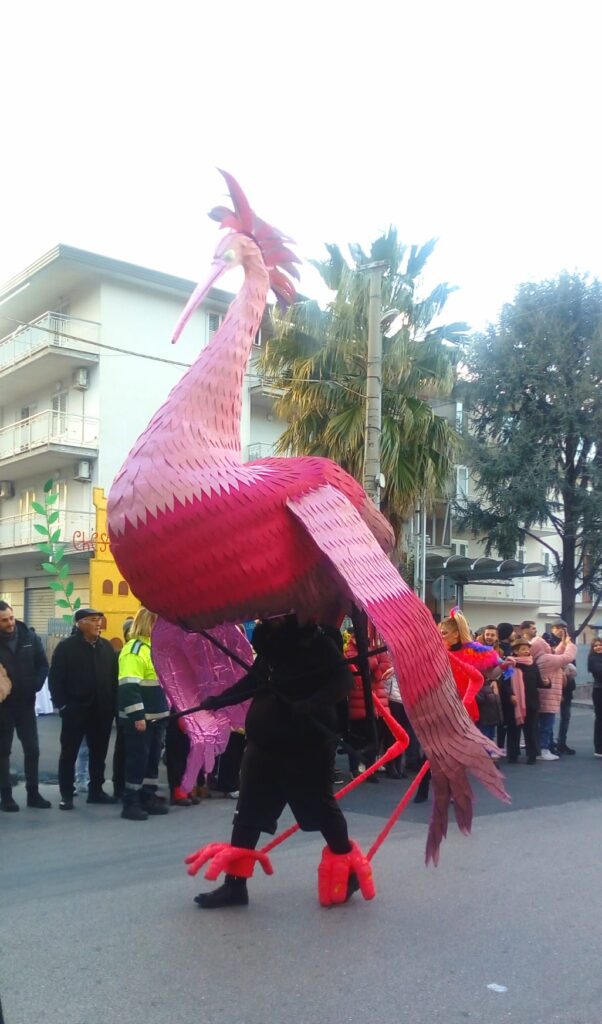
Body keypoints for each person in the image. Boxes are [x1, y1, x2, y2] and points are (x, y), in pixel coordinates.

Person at [193, 615, 367, 909]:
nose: (265, 619)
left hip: (306, 746)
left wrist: (310, 703)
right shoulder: (270, 647)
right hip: (263, 746)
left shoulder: (318, 642)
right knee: (247, 815)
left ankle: (349, 872)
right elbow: (255, 682)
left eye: (271, 615)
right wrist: (220, 700)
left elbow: (343, 681)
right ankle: (235, 886)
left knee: (321, 811)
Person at [49, 608, 119, 810]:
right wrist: (62, 705)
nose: (98, 624)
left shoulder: (106, 647)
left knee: (99, 753)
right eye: (93, 620)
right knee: (69, 753)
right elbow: (55, 679)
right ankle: (66, 794)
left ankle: (96, 790)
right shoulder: (66, 648)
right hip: (75, 710)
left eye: (99, 620)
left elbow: (114, 679)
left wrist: (113, 705)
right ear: (79, 623)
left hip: (102, 711)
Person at [118, 607, 170, 820]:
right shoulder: (135, 650)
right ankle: (131, 802)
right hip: (142, 719)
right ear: (149, 624)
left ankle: (147, 796)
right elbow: (128, 686)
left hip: (156, 716)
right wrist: (138, 716)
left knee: (151, 761)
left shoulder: (154, 649)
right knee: (137, 761)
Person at [0, 601, 50, 811]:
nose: (10, 623)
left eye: (11, 618)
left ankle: (33, 793)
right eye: (4, 620)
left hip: (26, 704)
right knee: (3, 752)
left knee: (33, 750)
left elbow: (42, 664)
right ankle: (6, 797)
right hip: (3, 706)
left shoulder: (29, 636)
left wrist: (36, 684)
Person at [530, 632, 577, 760]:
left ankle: (544, 748)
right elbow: (567, 657)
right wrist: (570, 644)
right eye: (545, 644)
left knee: (544, 725)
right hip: (548, 697)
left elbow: (556, 653)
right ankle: (544, 750)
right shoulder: (546, 659)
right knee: (546, 725)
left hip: (544, 696)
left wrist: (563, 643)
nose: (547, 645)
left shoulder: (541, 657)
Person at [510, 637, 547, 763]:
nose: (526, 651)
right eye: (523, 649)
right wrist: (510, 694)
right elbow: (504, 682)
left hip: (531, 702)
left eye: (527, 649)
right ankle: (513, 754)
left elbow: (539, 682)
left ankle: (532, 755)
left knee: (531, 729)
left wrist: (547, 683)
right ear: (515, 651)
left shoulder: (533, 664)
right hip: (515, 703)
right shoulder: (510, 664)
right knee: (514, 730)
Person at [550, 623, 576, 755]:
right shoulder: (546, 641)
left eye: (563, 628)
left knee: (566, 717)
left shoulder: (569, 642)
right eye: (557, 627)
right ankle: (549, 744)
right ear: (552, 629)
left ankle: (561, 742)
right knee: (549, 717)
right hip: (553, 685)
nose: (560, 630)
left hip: (567, 687)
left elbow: (572, 663)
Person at [587, 638, 602, 757]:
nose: (598, 647)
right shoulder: (593, 659)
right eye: (595, 646)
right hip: (599, 691)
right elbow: (599, 671)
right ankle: (599, 749)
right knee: (600, 720)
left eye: (600, 645)